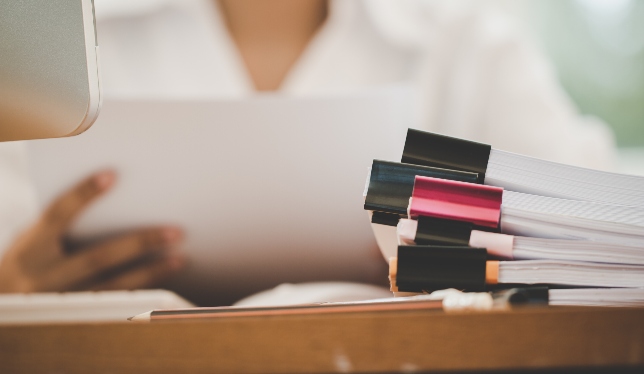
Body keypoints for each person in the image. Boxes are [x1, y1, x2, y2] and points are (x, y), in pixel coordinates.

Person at [0, 0, 616, 298]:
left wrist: (472, 252)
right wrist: (12, 291)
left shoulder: (467, 42)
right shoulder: (58, 38)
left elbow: (610, 237)